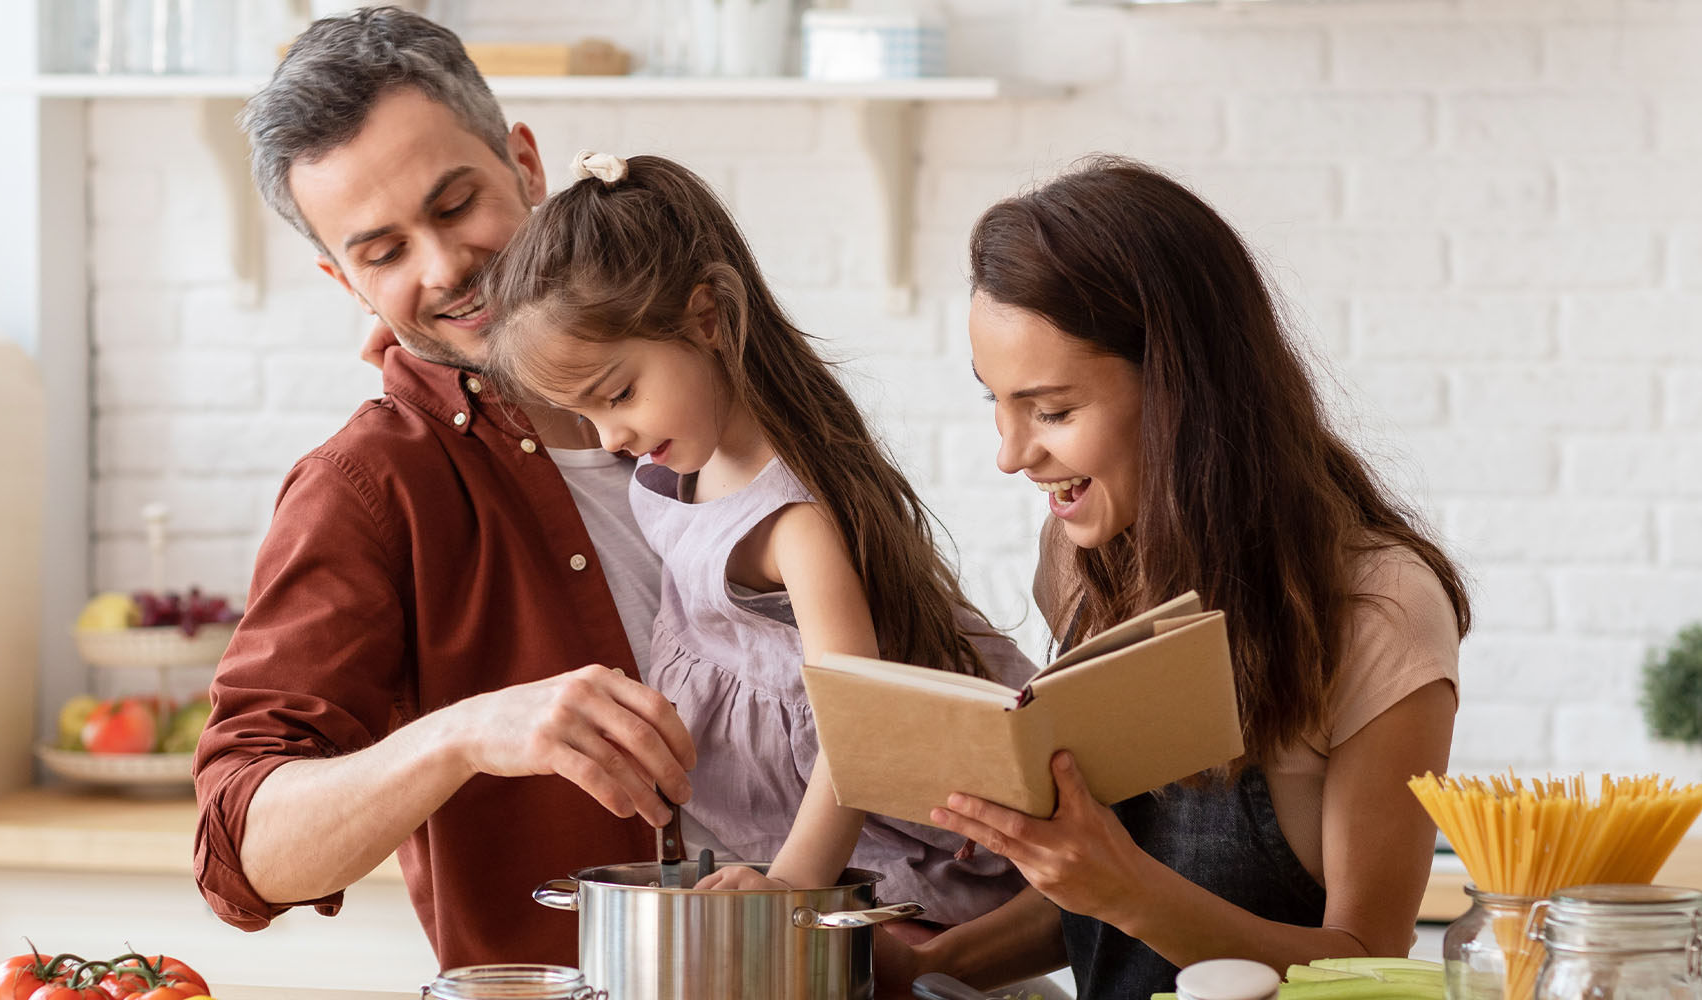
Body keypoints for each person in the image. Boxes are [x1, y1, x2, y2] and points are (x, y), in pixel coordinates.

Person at [186, 9, 696, 970]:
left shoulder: (714, 368)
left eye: (457, 204)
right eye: (383, 253)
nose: (446, 267)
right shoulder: (367, 487)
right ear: (344, 280)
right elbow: (242, 850)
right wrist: (464, 734)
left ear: (527, 167)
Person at [914, 158, 1473, 998]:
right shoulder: (1084, 558)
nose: (1012, 455)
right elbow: (1096, 896)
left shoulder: (1378, 611)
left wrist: (1121, 887)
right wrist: (924, 968)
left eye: (1054, 412)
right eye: (995, 402)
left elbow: (1369, 963)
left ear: (1183, 391)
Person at [471, 151, 1034, 931]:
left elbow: (859, 727)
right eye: (587, 415)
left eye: (620, 394)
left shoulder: (791, 523)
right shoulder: (679, 473)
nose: (612, 436)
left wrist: (794, 886)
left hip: (866, 854)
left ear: (707, 319)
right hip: (769, 841)